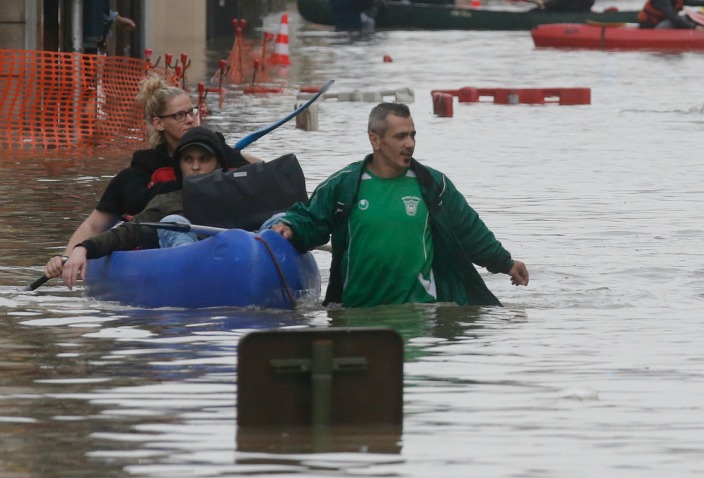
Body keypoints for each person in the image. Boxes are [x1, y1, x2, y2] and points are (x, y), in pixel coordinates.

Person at [270, 103, 529, 307]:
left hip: (420, 312)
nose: (410, 144)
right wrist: (291, 226)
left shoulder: (433, 184)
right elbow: (311, 219)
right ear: (375, 140)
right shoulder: (344, 185)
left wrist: (506, 263)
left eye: (413, 135)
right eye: (401, 136)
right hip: (356, 311)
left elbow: (469, 231)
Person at [41, 78, 251, 282]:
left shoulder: (221, 153)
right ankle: (190, 267)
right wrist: (69, 257)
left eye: (191, 112)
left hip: (222, 240)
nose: (190, 120)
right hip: (163, 245)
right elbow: (95, 226)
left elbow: (256, 177)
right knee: (173, 223)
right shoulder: (139, 176)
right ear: (158, 123)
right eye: (180, 115)